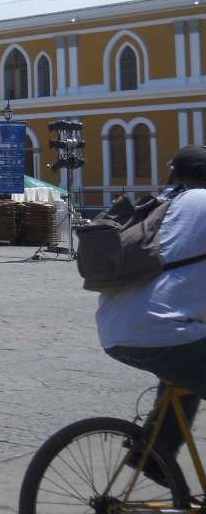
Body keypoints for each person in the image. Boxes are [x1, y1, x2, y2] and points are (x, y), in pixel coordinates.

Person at [96, 145, 206, 482]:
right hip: (162, 328)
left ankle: (155, 455)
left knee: (181, 374)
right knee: (182, 350)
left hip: (114, 326)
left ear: (173, 173)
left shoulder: (160, 204)